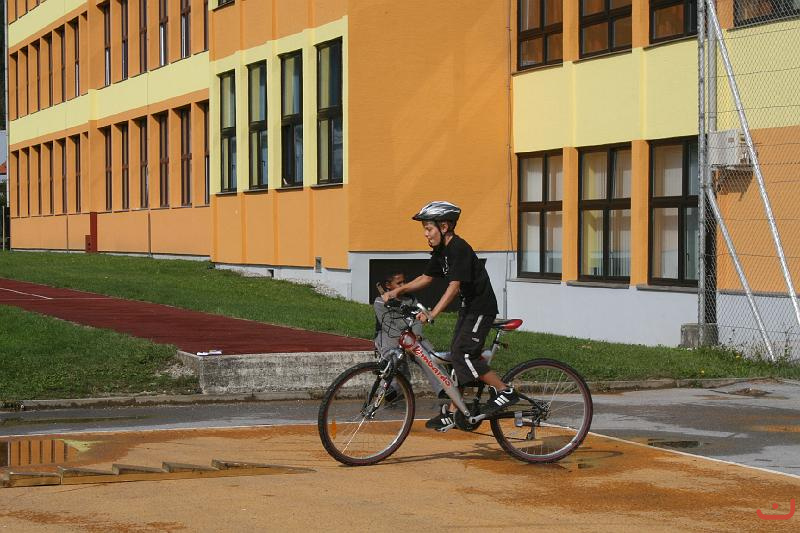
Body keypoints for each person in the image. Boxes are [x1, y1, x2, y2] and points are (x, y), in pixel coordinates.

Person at [381, 201, 518, 431]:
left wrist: (432, 313)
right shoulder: (442, 251)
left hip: (480, 309)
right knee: (456, 356)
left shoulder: (458, 249)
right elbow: (426, 278)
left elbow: (454, 287)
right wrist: (398, 291)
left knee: (464, 355)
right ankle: (455, 412)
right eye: (425, 229)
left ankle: (505, 391)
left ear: (444, 227)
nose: (425, 234)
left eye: (428, 228)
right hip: (468, 309)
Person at [374, 270, 444, 400]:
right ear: (388, 285)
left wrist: (416, 336)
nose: (403, 285)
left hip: (411, 334)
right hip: (389, 335)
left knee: (429, 355)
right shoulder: (380, 302)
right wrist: (405, 342)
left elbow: (417, 318)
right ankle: (391, 389)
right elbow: (388, 326)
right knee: (393, 355)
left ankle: (443, 388)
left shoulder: (411, 299)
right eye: (399, 283)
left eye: (404, 282)